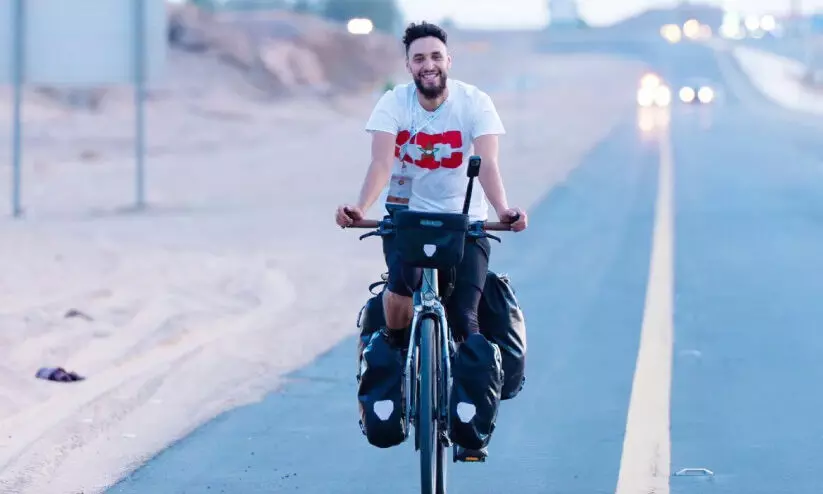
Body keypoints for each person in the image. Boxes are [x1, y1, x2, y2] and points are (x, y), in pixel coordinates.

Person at [336, 21, 528, 459]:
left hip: (465, 224)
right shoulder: (393, 103)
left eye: (435, 56)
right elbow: (381, 163)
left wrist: (503, 211)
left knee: (464, 316)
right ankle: (394, 364)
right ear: (408, 65)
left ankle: (467, 416)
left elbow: (489, 163)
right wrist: (360, 205)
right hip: (406, 221)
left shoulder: (475, 102)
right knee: (399, 296)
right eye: (419, 58)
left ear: (448, 61)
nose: (428, 65)